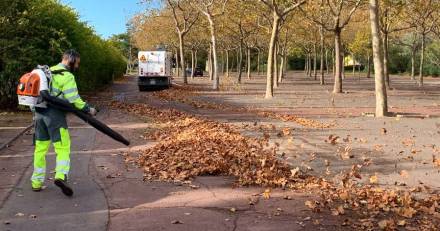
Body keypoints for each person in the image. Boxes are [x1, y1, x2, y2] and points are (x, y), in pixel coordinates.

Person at [31, 49, 97, 196]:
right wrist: (88, 109)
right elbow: (74, 99)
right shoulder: (66, 76)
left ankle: (36, 182)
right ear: (71, 60)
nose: (77, 67)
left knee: (40, 149)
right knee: (62, 147)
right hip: (55, 116)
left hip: (39, 114)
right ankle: (61, 176)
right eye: (77, 63)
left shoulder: (47, 71)